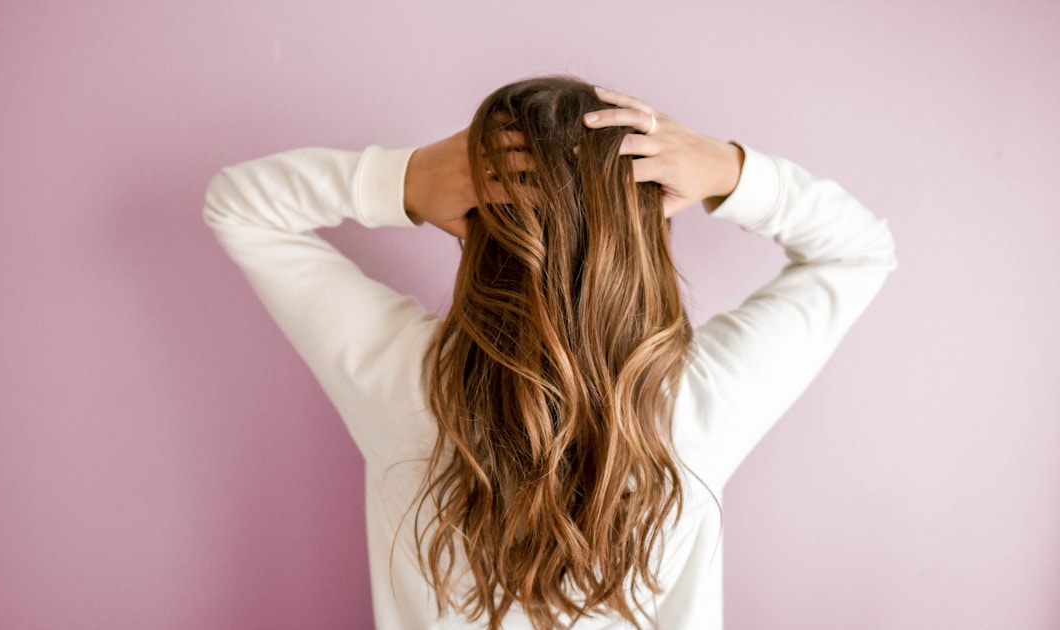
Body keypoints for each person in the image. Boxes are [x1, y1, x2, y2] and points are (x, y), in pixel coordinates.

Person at [202, 76, 897, 630]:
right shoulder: (697, 403)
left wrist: (405, 178)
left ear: (476, 221)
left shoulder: (406, 382)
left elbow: (238, 206)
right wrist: (727, 169)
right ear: (643, 232)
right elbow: (859, 251)